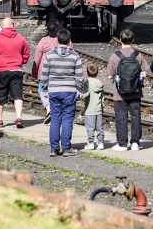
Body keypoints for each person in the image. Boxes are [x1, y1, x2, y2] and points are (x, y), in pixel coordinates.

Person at [42, 29, 83, 157]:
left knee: (55, 120)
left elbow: (44, 75)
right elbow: (80, 77)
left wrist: (44, 90)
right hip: (69, 91)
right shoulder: (74, 56)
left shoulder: (50, 55)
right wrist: (80, 91)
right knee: (67, 120)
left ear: (57, 40)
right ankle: (66, 148)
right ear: (69, 40)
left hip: (54, 90)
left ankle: (54, 149)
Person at [106, 29, 149, 151]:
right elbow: (144, 74)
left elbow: (109, 75)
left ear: (120, 40)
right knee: (136, 117)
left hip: (120, 93)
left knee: (121, 117)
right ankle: (135, 143)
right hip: (136, 92)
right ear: (132, 40)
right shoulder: (138, 55)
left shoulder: (115, 56)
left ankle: (122, 143)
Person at [0, 17, 30, 128]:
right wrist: (21, 62)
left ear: (2, 26)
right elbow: (26, 53)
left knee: (0, 95)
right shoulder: (21, 38)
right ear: (13, 25)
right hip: (16, 70)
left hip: (1, 70)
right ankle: (19, 118)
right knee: (17, 95)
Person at [33, 20, 66, 124]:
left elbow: (37, 58)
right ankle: (58, 112)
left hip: (45, 72)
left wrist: (34, 73)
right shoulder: (65, 40)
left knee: (43, 90)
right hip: (61, 71)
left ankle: (49, 110)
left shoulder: (43, 40)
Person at [82, 64, 105, 150]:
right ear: (97, 74)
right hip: (98, 109)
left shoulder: (87, 82)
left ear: (86, 73)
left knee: (90, 127)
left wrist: (79, 96)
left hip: (89, 109)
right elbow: (102, 97)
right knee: (99, 128)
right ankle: (101, 143)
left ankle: (91, 143)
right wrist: (102, 108)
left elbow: (86, 94)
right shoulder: (100, 84)